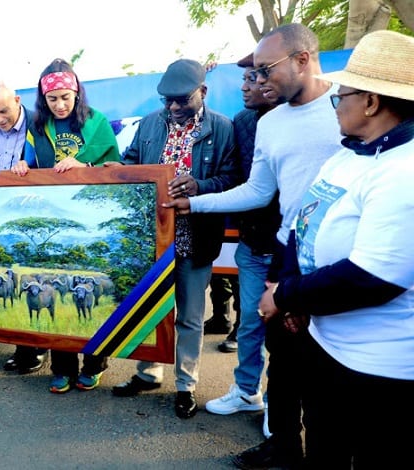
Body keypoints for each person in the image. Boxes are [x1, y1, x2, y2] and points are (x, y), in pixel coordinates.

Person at [163, 24, 343, 467]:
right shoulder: (273, 122)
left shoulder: (349, 104)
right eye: (256, 73)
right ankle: (282, 442)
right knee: (283, 354)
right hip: (289, 254)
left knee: (331, 365)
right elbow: (258, 191)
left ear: (303, 59)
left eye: (266, 71)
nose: (258, 81)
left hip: (343, 258)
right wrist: (195, 203)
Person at [258, 29, 414, 469]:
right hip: (326, 347)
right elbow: (299, 227)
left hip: (378, 372)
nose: (335, 104)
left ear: (370, 102)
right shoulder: (349, 155)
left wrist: (285, 297)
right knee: (323, 450)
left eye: (340, 96)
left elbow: (372, 278)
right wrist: (291, 290)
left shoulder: (404, 171)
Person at [110, 58, 240, 419]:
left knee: (190, 317)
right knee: (149, 310)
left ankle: (186, 385)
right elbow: (133, 160)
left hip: (195, 238)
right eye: (167, 100)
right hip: (152, 239)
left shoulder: (223, 128)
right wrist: (119, 171)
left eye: (181, 100)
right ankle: (147, 374)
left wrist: (199, 188)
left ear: (203, 92)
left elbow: (231, 179)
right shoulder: (151, 123)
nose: (173, 107)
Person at [12, 58, 120, 393]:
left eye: (65, 97)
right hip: (54, 214)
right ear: (43, 100)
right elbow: (30, 161)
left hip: (91, 221)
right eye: (52, 99)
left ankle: (95, 363)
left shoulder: (97, 122)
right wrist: (21, 166)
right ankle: (61, 367)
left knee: (90, 289)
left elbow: (117, 167)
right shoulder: (36, 127)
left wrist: (85, 163)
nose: (59, 105)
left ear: (77, 93)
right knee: (58, 286)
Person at [204, 53, 280, 439]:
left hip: (294, 249)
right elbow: (240, 181)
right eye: (246, 77)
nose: (245, 85)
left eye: (255, 77)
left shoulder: (308, 119)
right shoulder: (243, 122)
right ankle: (248, 391)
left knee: (286, 330)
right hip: (253, 242)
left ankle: (281, 407)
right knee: (250, 321)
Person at [0, 80, 48, 375]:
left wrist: (30, 170)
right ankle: (24, 346)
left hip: (35, 212)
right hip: (5, 217)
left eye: (3, 111)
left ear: (18, 101)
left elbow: (50, 165)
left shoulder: (39, 124)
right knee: (13, 277)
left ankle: (37, 348)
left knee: (30, 280)